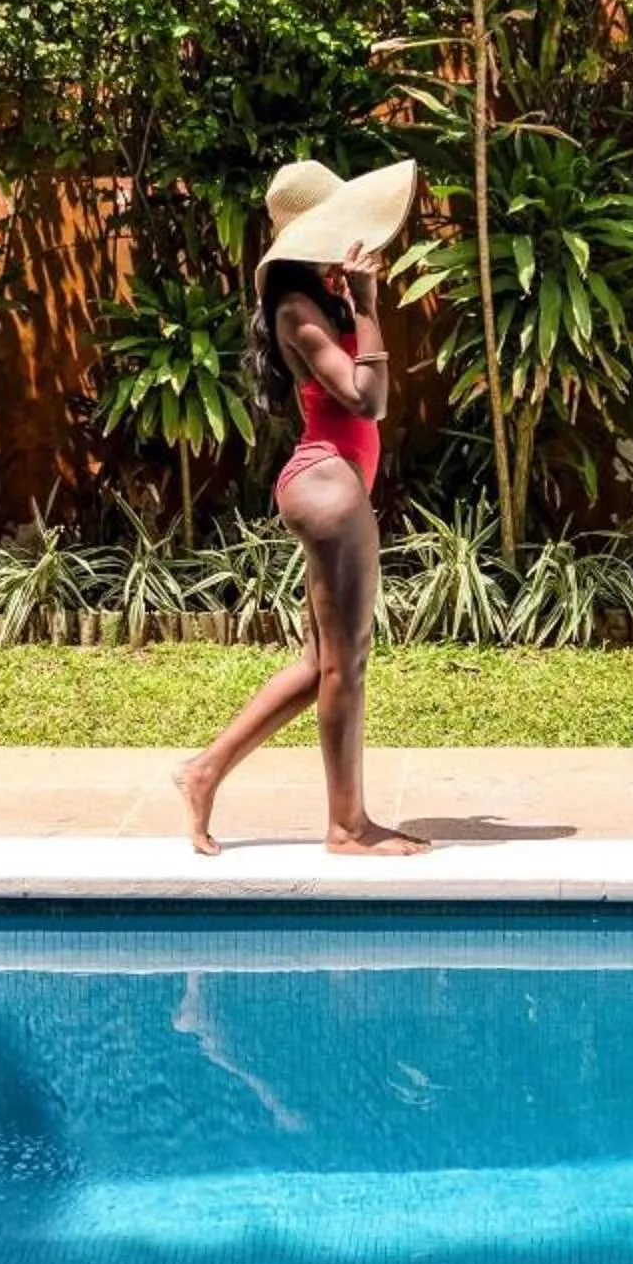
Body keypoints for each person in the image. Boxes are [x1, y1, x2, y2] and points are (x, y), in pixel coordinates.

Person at [176, 157, 429, 856]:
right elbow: (367, 398)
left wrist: (359, 302)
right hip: (328, 485)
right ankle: (347, 826)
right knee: (348, 664)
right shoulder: (298, 308)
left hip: (336, 482)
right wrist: (371, 308)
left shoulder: (320, 297)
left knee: (321, 660)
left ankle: (203, 771)